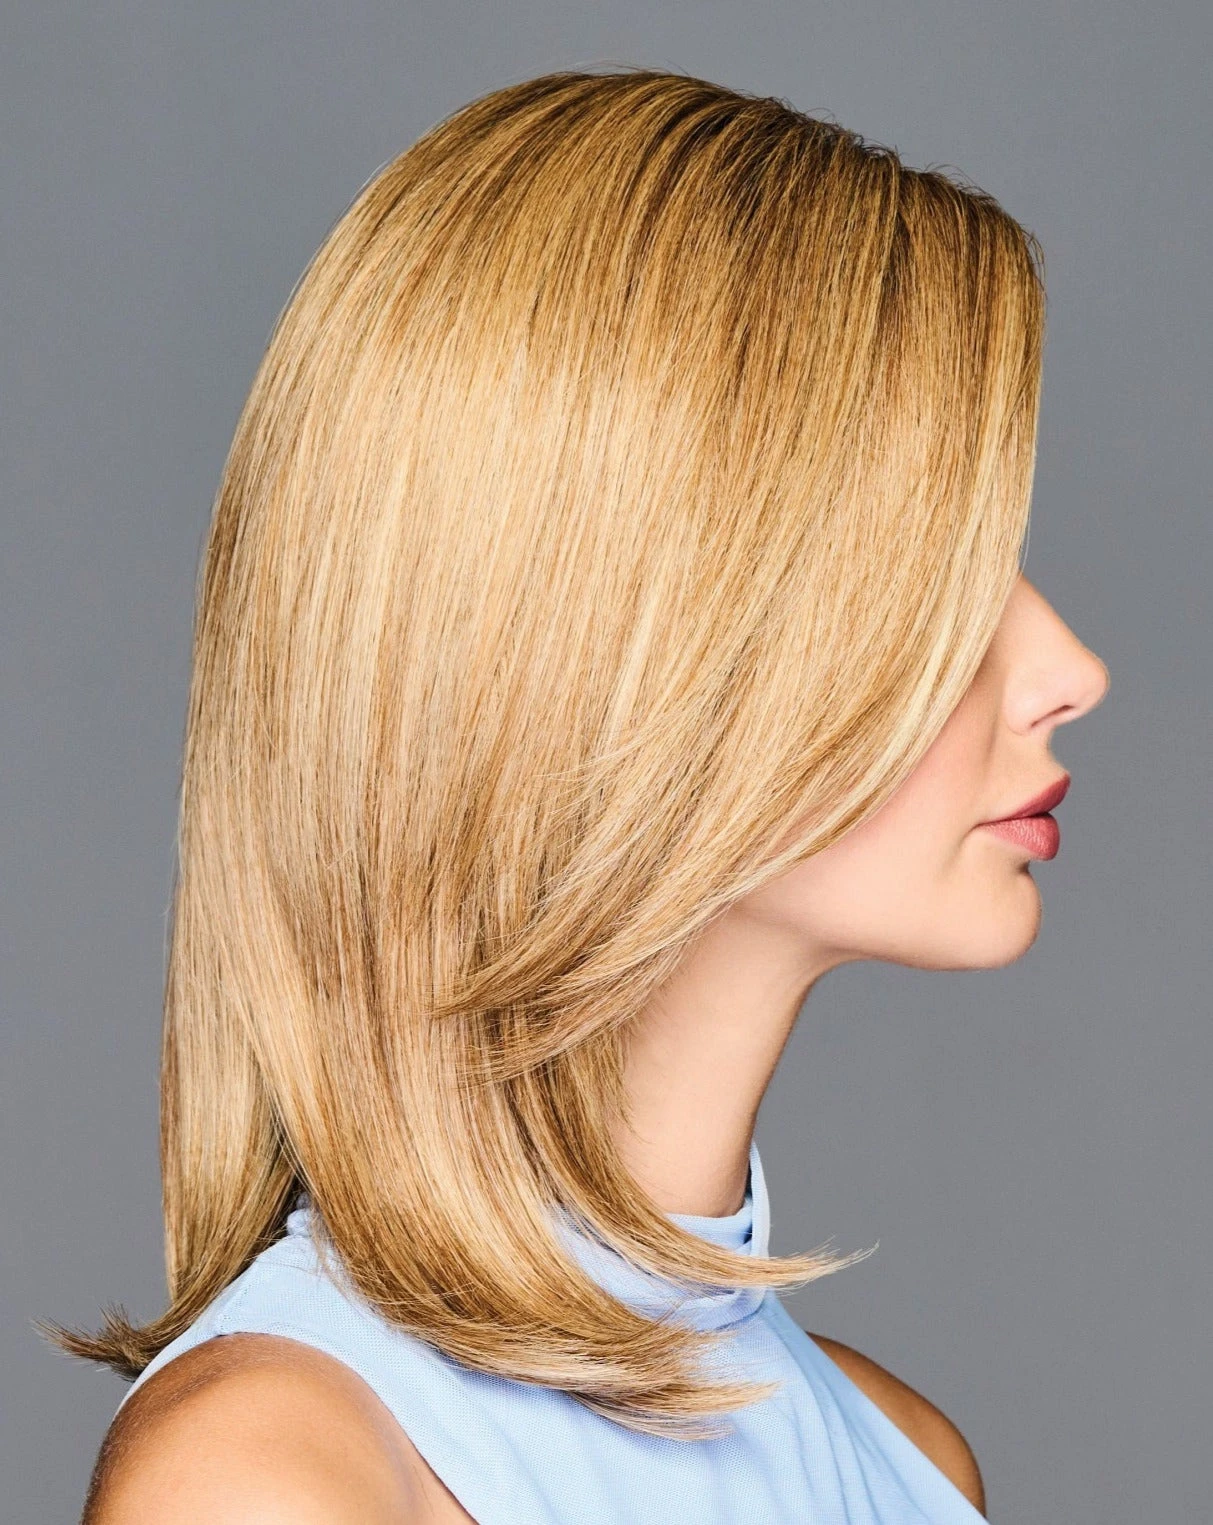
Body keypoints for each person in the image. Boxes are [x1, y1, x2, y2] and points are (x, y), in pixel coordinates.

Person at [51, 66, 1109, 1523]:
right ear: (624, 643)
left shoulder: (911, 1460)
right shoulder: (281, 1474)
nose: (1070, 670)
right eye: (935, 580)